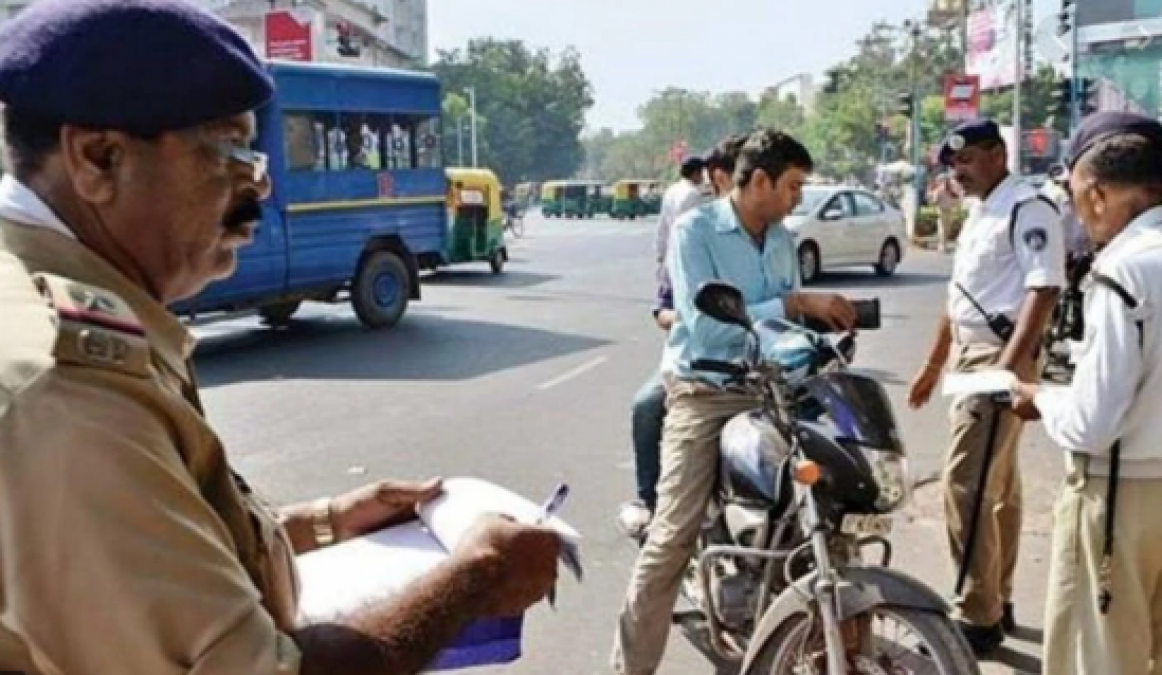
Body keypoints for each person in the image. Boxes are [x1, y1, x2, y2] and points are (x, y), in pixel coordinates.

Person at [0, 2, 559, 674]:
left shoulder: (70, 309)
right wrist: (475, 579)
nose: (255, 187)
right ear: (98, 158)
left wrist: (329, 520)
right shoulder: (65, 389)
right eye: (230, 149)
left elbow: (172, 544)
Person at [612, 128, 857, 675]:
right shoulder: (695, 230)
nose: (797, 198)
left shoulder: (781, 238)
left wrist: (825, 339)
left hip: (775, 390)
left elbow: (787, 330)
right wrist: (796, 302)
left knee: (829, 512)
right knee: (671, 538)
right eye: (792, 186)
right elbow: (704, 331)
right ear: (760, 180)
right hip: (707, 390)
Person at [1011, 111, 1162, 675]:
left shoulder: (1123, 272)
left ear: (1096, 193)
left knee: (1097, 659)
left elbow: (1093, 422)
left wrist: (1042, 398)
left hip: (1119, 497)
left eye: (1074, 195)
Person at [907, 119, 1065, 654]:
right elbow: (960, 299)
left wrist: (1007, 368)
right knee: (998, 489)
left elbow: (1042, 290)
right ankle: (997, 597)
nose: (960, 171)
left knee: (966, 486)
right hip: (972, 355)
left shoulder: (1028, 206)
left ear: (999, 154)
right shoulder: (982, 211)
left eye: (968, 159)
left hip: (999, 356)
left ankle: (976, 616)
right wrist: (933, 366)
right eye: (954, 164)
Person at [616, 134, 748, 542]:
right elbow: (664, 308)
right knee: (647, 405)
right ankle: (650, 503)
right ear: (722, 178)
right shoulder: (694, 232)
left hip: (763, 369)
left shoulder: (776, 236)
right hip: (700, 365)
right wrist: (693, 319)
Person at [654, 155, 707, 284]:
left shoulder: (671, 191)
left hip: (670, 251)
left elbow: (662, 225)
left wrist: (660, 253)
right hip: (687, 255)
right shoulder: (693, 194)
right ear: (696, 173)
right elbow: (695, 228)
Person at [930, 171, 963, 253]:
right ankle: (942, 245)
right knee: (946, 229)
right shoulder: (950, 190)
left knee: (943, 228)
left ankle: (942, 245)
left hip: (942, 210)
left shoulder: (940, 190)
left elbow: (934, 201)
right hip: (947, 211)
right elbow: (957, 200)